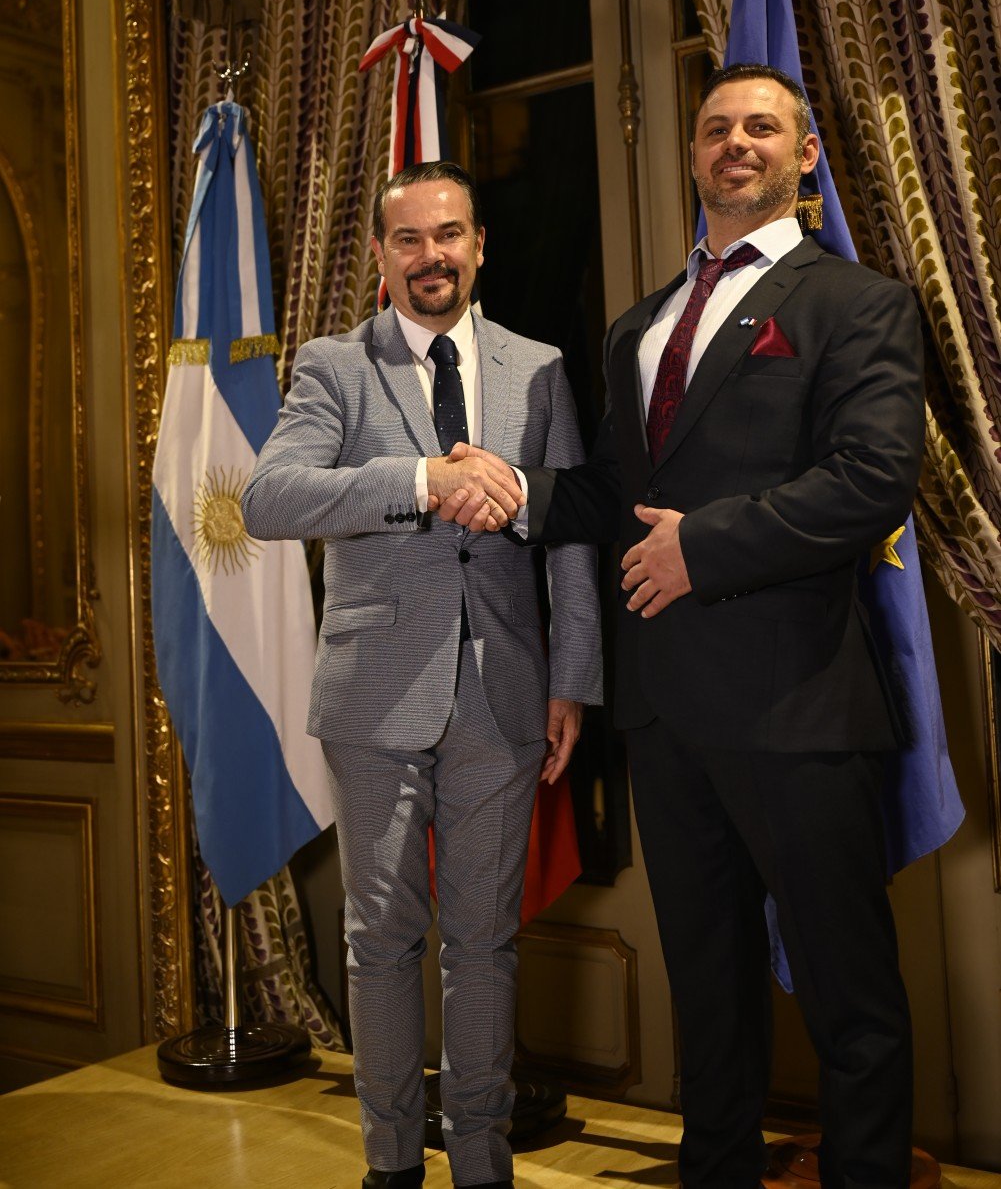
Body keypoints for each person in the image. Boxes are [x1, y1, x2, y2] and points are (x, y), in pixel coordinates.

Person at [435, 65, 924, 1189]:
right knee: (704, 990)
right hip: (663, 715)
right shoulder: (638, 325)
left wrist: (699, 546)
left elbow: (868, 481)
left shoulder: (857, 304)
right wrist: (510, 487)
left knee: (852, 998)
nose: (733, 143)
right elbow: (609, 490)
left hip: (797, 704)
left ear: (804, 157)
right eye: (713, 128)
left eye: (761, 126)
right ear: (692, 155)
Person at [242, 160, 602, 1189]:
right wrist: (417, 480)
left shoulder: (536, 367)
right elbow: (270, 499)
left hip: (504, 696)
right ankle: (392, 1168)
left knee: (484, 946)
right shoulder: (330, 365)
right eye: (408, 239)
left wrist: (570, 676)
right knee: (382, 943)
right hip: (373, 701)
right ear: (379, 254)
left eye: (448, 235)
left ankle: (481, 1166)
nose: (430, 256)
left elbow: (571, 533)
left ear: (477, 245)